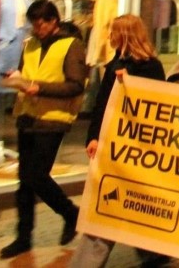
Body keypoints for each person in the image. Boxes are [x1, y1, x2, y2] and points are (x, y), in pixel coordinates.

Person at [70, 15, 168, 268]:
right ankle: (151, 252)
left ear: (125, 36)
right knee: (111, 202)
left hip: (136, 149)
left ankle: (151, 252)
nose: (109, 37)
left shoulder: (151, 67)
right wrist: (94, 137)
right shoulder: (115, 63)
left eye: (113, 32)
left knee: (117, 203)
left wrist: (130, 85)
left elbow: (157, 107)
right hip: (113, 146)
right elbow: (102, 105)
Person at [0, 0, 86, 259]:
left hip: (53, 119)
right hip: (27, 116)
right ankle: (23, 237)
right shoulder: (31, 44)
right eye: (34, 25)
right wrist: (18, 78)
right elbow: (29, 74)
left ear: (53, 21)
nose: (37, 30)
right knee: (24, 182)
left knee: (37, 176)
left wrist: (40, 87)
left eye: (41, 24)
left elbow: (75, 85)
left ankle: (72, 214)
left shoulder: (71, 45)